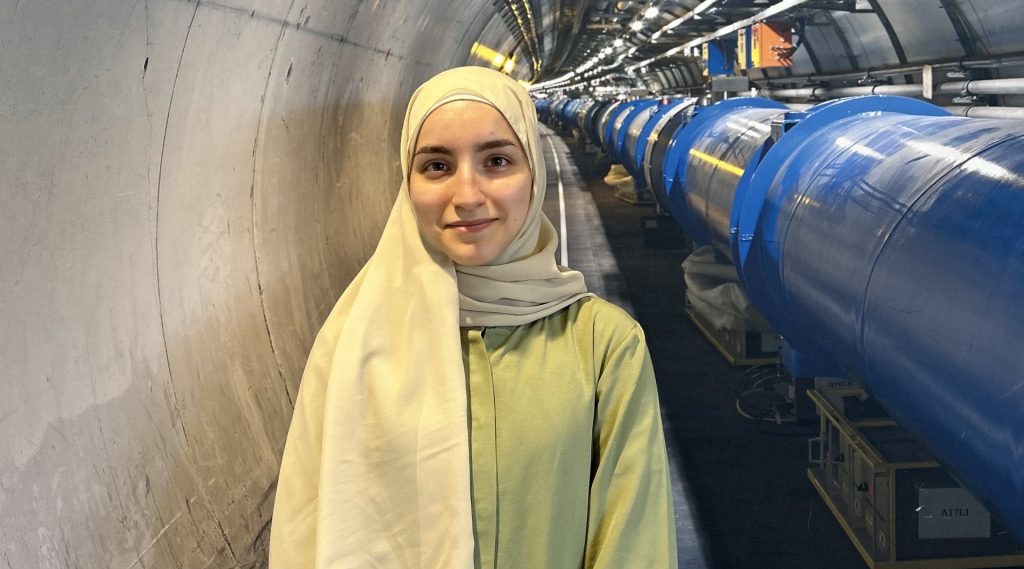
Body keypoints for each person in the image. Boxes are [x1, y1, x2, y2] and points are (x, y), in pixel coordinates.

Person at [269, 66, 677, 569]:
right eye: (437, 166)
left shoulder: (603, 344)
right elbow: (310, 524)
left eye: (497, 161)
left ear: (534, 174)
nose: (466, 195)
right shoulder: (352, 341)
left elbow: (635, 543)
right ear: (407, 183)